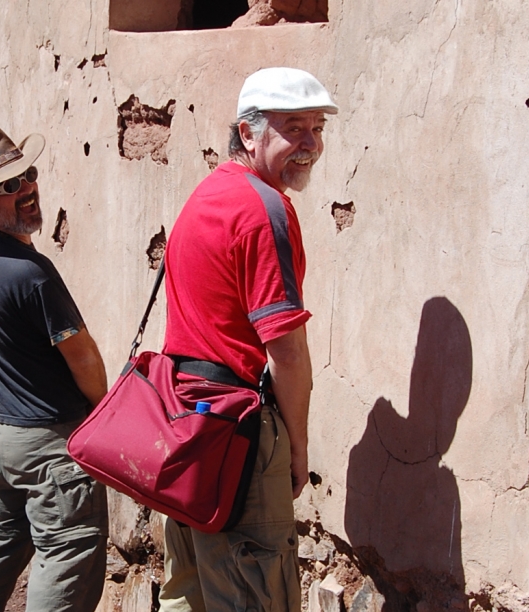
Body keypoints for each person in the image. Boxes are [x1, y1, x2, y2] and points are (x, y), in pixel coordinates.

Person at [158, 67, 338, 612]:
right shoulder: (265, 209)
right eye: (292, 128)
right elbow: (285, 348)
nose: (309, 144)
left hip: (186, 421)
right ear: (248, 133)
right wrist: (297, 448)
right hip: (234, 431)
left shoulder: (209, 192)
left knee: (189, 592)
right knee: (256, 592)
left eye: (316, 128)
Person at [0, 128, 110, 612]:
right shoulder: (29, 272)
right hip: (46, 446)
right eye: (10, 186)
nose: (29, 189)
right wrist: (103, 414)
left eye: (29, 176)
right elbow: (83, 356)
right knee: (67, 554)